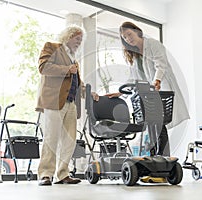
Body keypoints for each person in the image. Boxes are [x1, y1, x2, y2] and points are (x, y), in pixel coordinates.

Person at [106, 22, 190, 182]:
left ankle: (162, 166)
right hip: (148, 95)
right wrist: (120, 92)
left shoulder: (152, 45)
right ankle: (155, 166)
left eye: (129, 35)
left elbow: (161, 64)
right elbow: (133, 77)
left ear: (137, 32)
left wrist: (156, 81)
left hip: (160, 88)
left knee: (158, 125)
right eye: (124, 38)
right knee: (153, 126)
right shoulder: (135, 54)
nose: (128, 39)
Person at [35, 24, 99, 186]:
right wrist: (66, 69)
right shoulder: (52, 47)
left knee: (69, 140)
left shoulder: (74, 59)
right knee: (52, 138)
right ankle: (45, 174)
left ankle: (63, 174)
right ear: (68, 36)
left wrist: (88, 92)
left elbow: (78, 82)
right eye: (77, 38)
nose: (79, 42)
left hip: (71, 104)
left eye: (81, 40)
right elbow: (43, 67)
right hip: (54, 101)